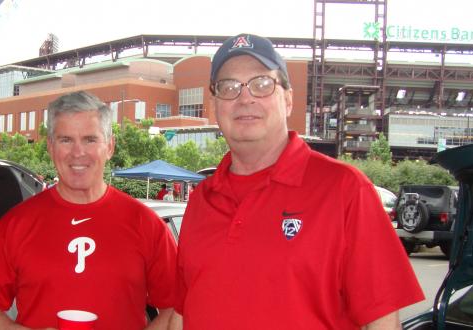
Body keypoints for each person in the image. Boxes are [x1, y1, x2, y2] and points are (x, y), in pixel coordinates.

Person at [169, 34, 424, 329]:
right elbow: (184, 311)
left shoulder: (345, 189)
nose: (245, 98)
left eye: (262, 84)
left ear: (288, 99)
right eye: (229, 87)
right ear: (214, 105)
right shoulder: (202, 199)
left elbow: (382, 321)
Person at [0, 91, 177, 330]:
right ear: (50, 147)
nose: (78, 152)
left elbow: (175, 309)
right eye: (66, 139)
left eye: (90, 139)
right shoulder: (17, 223)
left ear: (109, 147)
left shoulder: (145, 223)